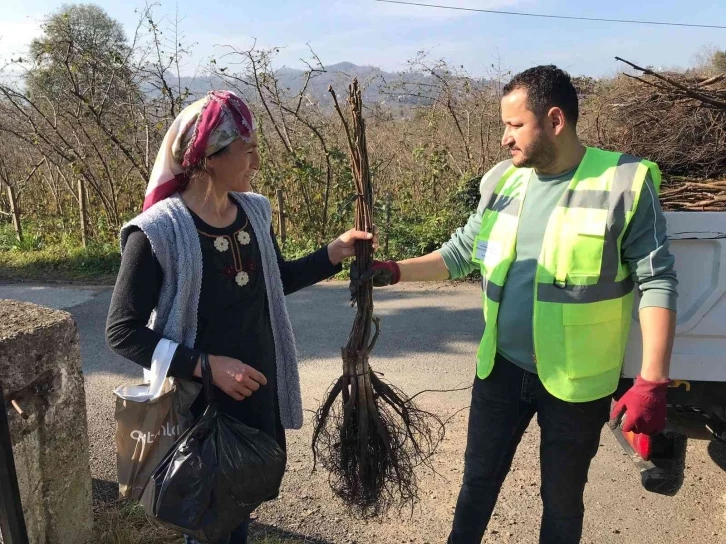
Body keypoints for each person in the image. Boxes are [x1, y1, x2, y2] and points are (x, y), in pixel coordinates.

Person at [357, 66, 677, 544]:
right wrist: (397, 270)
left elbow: (657, 281)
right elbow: (462, 252)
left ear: (554, 120)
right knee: (476, 487)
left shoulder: (624, 183)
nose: (505, 138)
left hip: (575, 383)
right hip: (500, 371)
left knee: (563, 503)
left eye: (515, 125)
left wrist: (652, 380)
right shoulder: (503, 181)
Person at [106, 90, 372, 544]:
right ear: (209, 156)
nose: (255, 160)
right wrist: (207, 366)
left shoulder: (254, 211)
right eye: (246, 149)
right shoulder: (158, 231)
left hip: (255, 392)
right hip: (200, 407)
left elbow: (275, 279)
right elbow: (122, 332)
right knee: (207, 520)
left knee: (240, 503)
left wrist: (333, 253)